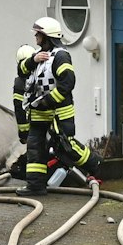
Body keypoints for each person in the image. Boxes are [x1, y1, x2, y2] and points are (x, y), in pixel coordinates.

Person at [20, 16, 98, 196]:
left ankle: (96, 166)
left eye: (38, 34)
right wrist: (33, 59)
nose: (36, 38)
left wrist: (48, 101)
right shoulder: (39, 56)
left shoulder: (61, 56)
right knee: (35, 148)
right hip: (39, 112)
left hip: (58, 112)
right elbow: (21, 70)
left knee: (65, 146)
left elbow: (67, 84)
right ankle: (35, 186)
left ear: (47, 36)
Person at [10, 43, 37, 170]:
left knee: (35, 154)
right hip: (42, 125)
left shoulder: (19, 83)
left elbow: (19, 109)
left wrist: (23, 134)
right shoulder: (38, 76)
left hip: (33, 127)